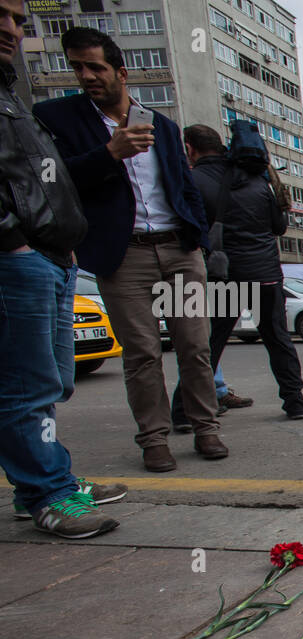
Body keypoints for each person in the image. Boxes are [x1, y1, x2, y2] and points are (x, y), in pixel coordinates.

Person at [34, 27, 226, 473]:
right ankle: (154, 438)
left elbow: (183, 185)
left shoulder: (161, 124)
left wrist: (197, 237)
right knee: (141, 352)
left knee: (195, 345)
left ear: (121, 72)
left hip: (178, 248)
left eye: (95, 67)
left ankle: (206, 427)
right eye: (77, 67)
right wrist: (108, 154)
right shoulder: (58, 119)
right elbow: (50, 180)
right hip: (124, 255)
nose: (86, 76)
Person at [0, 0, 123, 537]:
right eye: (0, 14)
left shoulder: (9, 93)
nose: (11, 29)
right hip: (19, 258)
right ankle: (47, 492)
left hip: (50, 255)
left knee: (50, 381)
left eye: (18, 19)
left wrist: (59, 240)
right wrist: (11, 241)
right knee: (25, 385)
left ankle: (48, 481)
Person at [171, 124, 303, 431]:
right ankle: (295, 401)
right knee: (278, 339)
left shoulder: (194, 180)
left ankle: (183, 411)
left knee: (208, 344)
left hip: (226, 275)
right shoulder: (259, 179)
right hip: (267, 274)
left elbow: (187, 229)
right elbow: (278, 227)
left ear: (190, 147)